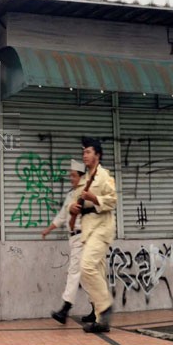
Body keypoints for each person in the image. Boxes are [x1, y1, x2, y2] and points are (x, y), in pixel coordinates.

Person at [69, 137, 118, 333]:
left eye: (88, 152)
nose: (84, 155)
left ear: (97, 155)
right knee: (97, 273)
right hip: (88, 230)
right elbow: (75, 205)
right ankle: (101, 320)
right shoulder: (83, 180)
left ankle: (105, 306)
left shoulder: (104, 176)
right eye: (83, 152)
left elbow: (113, 200)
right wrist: (74, 208)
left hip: (102, 227)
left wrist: (94, 198)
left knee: (86, 266)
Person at [42, 159, 96, 325]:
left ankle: (65, 309)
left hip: (83, 238)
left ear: (81, 177)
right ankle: (97, 310)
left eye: (73, 176)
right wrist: (48, 229)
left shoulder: (85, 194)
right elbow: (61, 217)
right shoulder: (70, 196)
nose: (71, 179)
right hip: (74, 238)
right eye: (70, 176)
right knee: (85, 278)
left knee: (74, 272)